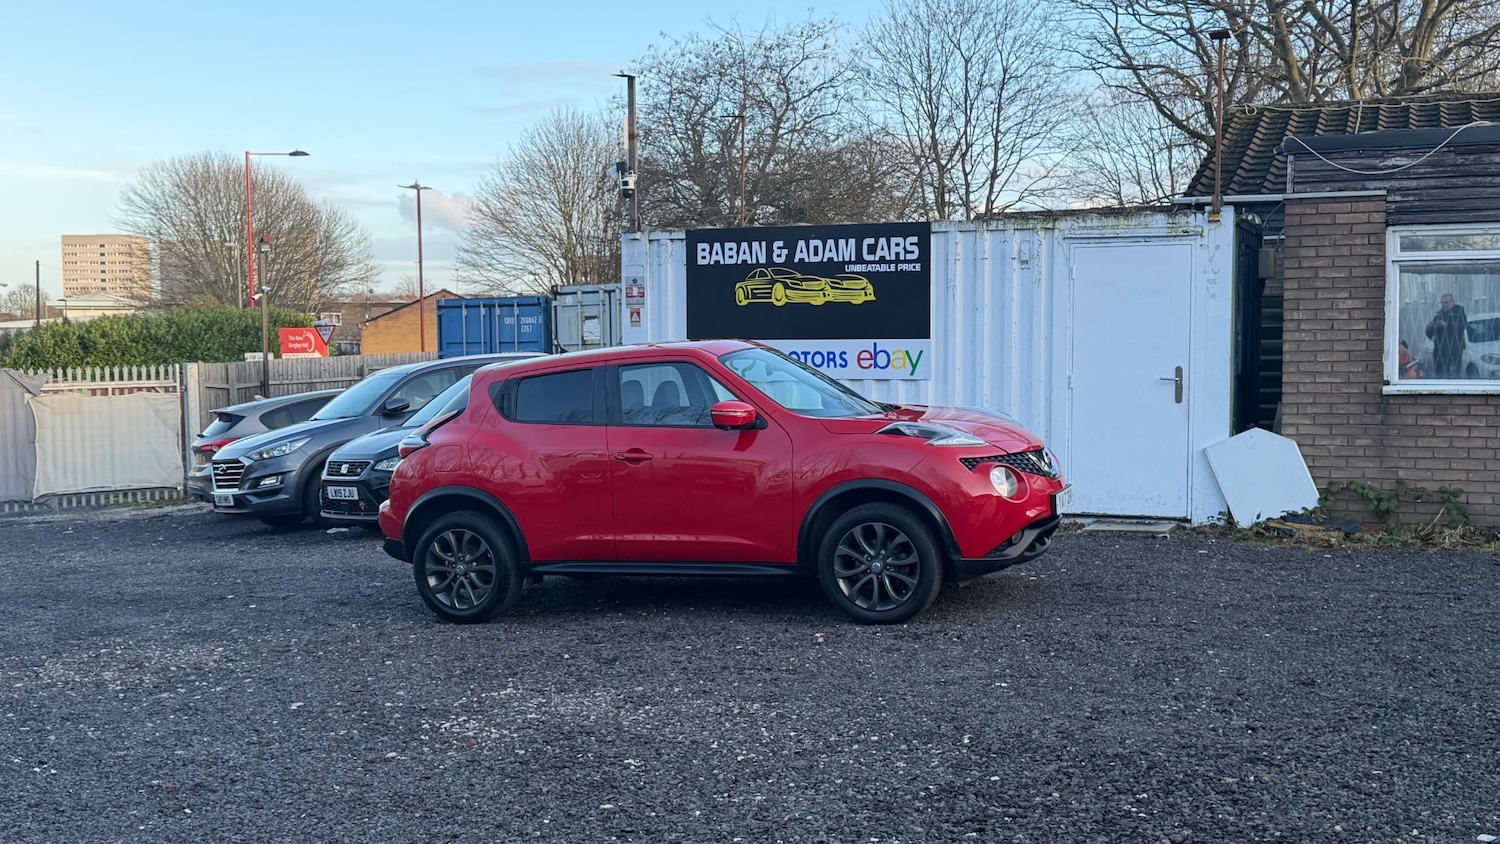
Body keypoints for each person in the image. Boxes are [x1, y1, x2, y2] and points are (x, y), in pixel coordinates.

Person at [1424, 293, 1469, 378]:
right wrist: (1429, 329)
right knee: (1440, 376)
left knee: (1453, 377)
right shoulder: (1438, 316)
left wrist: (1447, 324)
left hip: (1454, 350)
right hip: (1439, 351)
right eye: (1442, 303)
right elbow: (1431, 336)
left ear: (1453, 302)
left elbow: (1463, 325)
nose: (1444, 305)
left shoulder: (1459, 313)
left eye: (1446, 302)